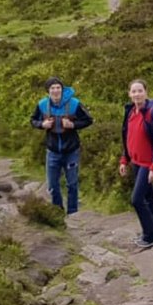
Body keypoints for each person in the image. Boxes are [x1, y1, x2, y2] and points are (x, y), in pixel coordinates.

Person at [118, 79, 153, 250]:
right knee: (149, 198)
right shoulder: (130, 111)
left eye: (140, 91)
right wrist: (124, 160)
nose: (137, 94)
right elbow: (127, 137)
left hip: (148, 163)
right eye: (133, 91)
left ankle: (150, 235)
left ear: (146, 92)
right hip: (136, 162)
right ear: (129, 94)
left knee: (137, 199)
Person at [29, 76, 93, 215]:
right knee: (52, 185)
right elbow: (33, 120)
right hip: (52, 151)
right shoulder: (42, 105)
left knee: (72, 184)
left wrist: (73, 125)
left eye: (58, 88)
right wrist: (42, 124)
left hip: (71, 151)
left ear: (62, 89)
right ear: (48, 91)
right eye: (53, 88)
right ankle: (57, 211)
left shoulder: (75, 104)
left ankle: (73, 213)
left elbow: (88, 120)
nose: (56, 90)